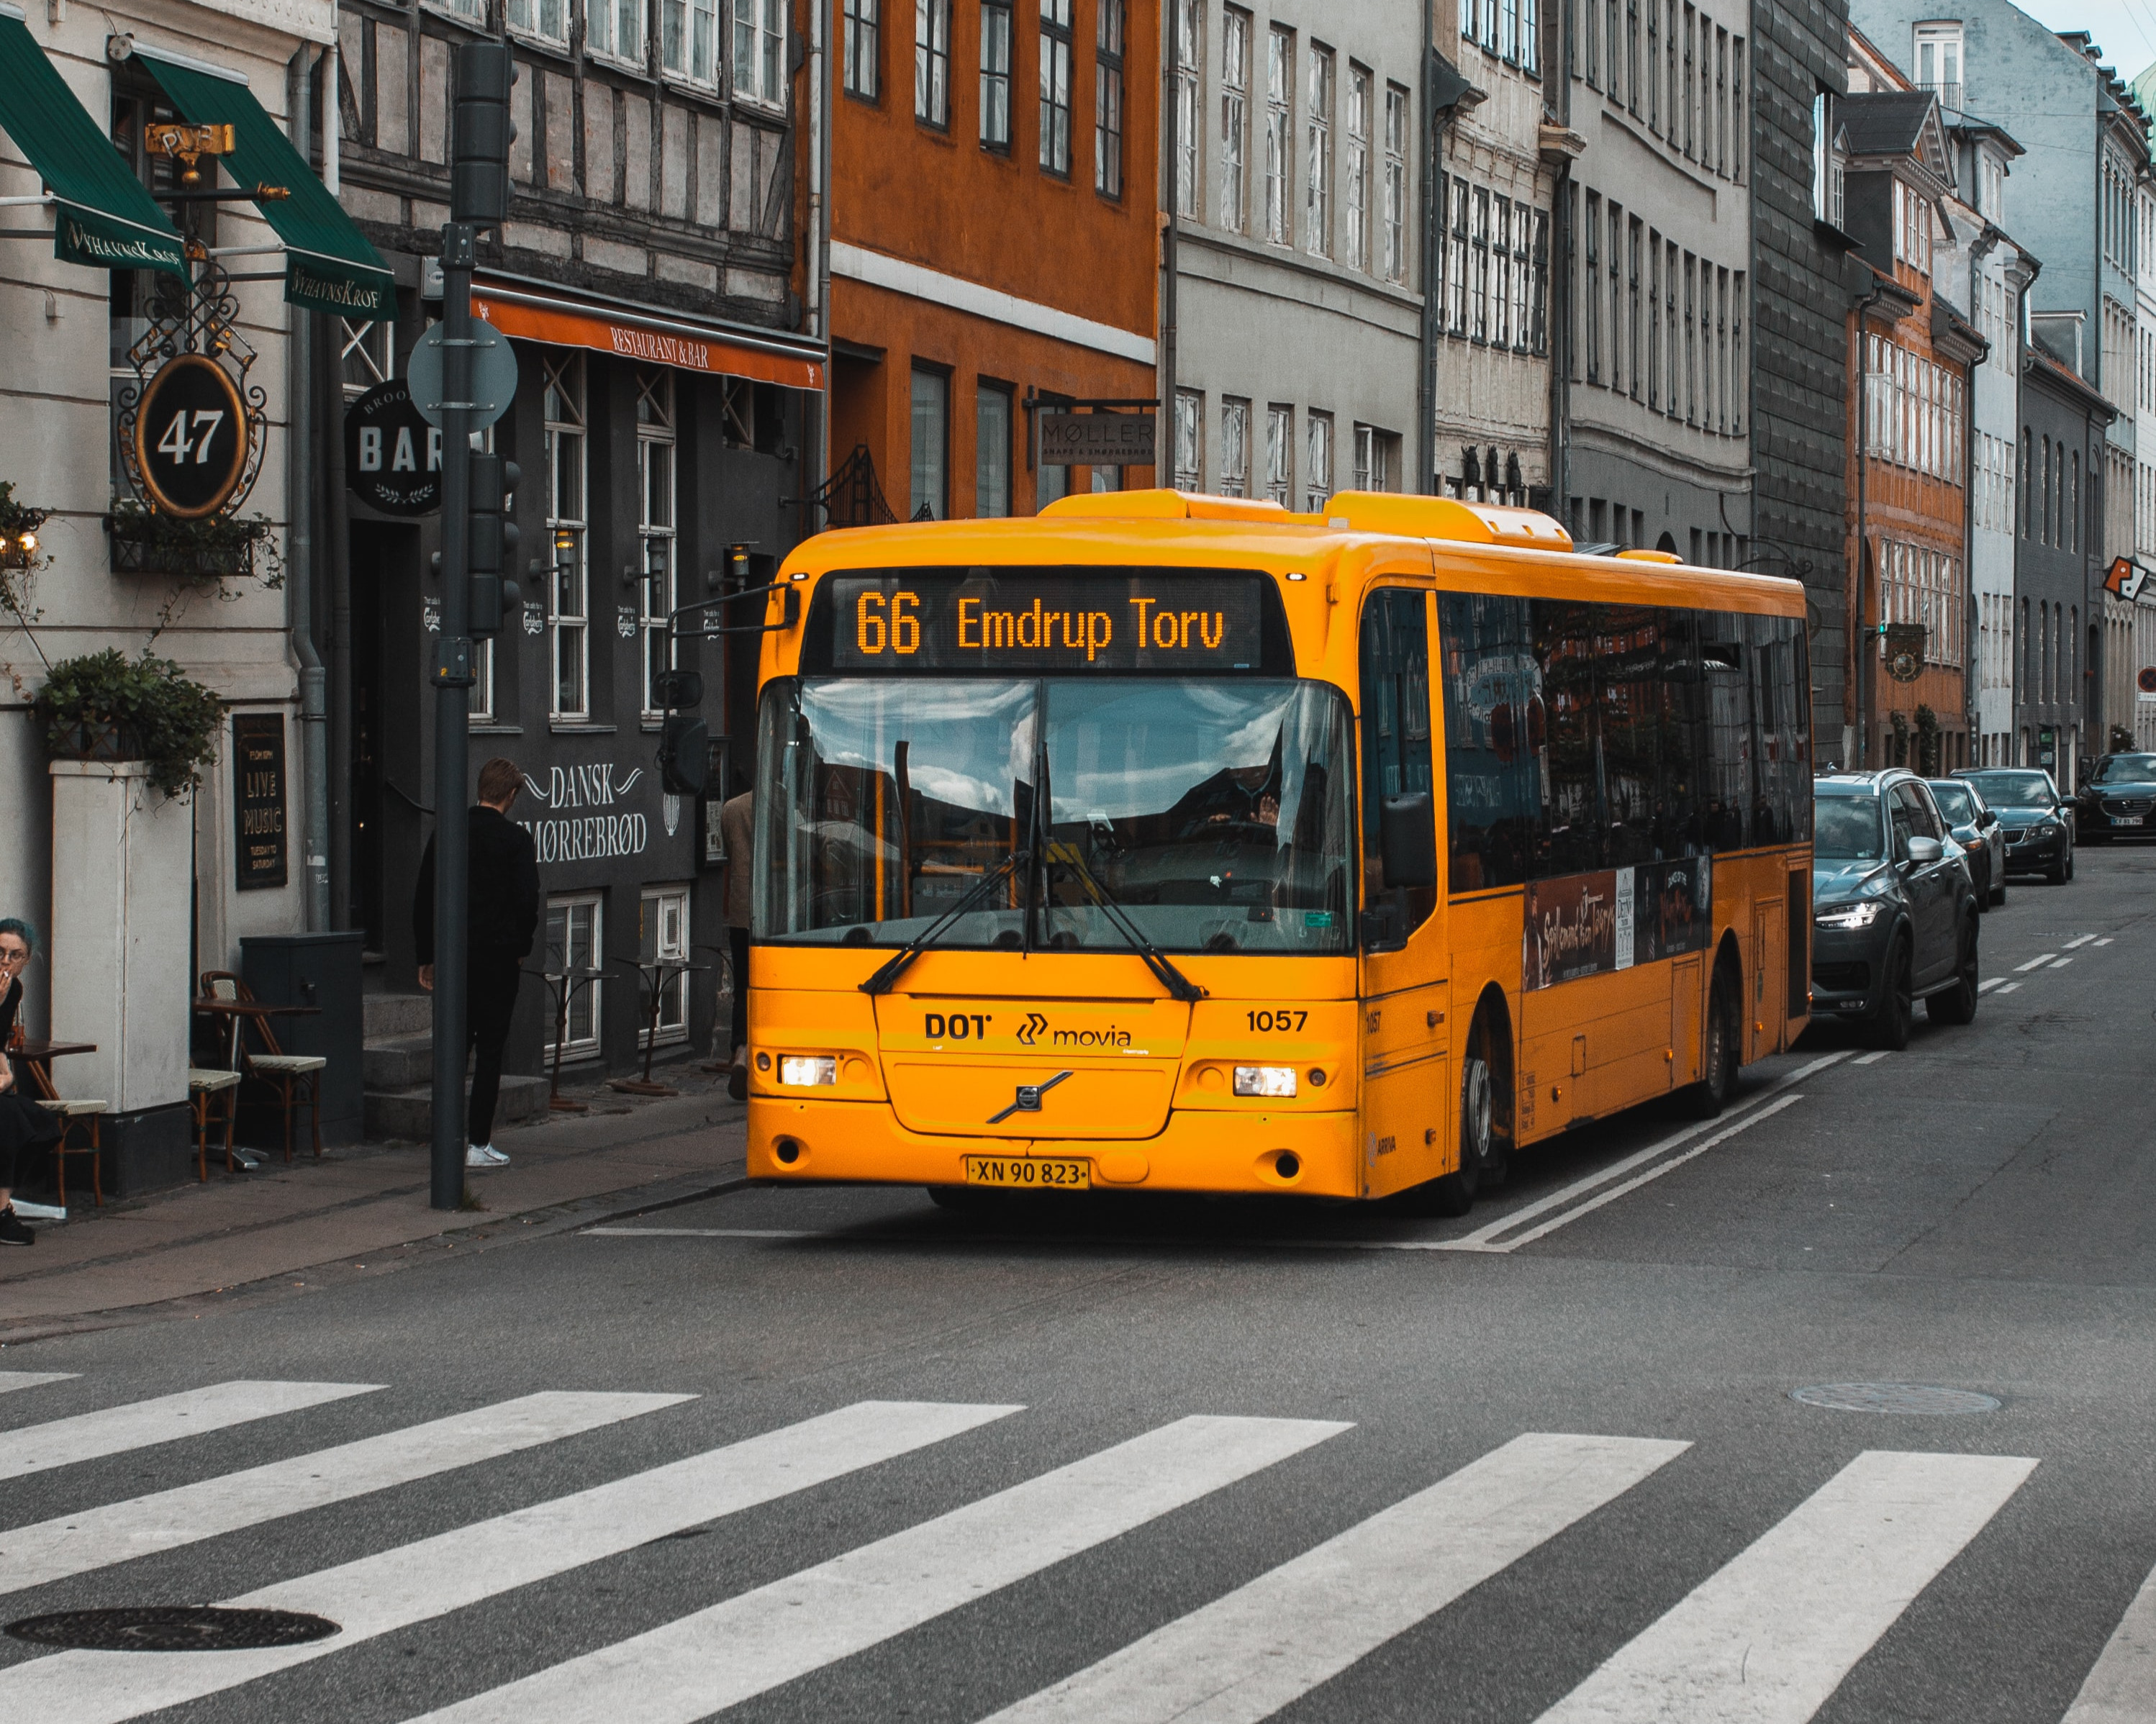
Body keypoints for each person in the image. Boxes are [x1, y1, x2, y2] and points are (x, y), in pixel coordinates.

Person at [415, 758, 540, 1171]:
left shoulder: (450, 832)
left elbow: (424, 895)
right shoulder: (516, 841)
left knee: (454, 1048)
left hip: (455, 956)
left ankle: (445, 1135)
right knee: (489, 1052)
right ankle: (478, 1141)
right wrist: (521, 946)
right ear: (512, 794)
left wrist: (426, 956)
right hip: (499, 958)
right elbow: (527, 901)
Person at [0, 919, 62, 1247]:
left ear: (25, 961)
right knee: (8, 1119)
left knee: (41, 1122)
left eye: (15, 955)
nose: (6, 962)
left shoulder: (15, 990)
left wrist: (7, 1076)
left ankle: (1, 1203)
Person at [720, 786, 754, 1102]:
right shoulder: (786, 807)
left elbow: (730, 853)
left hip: (740, 913)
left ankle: (741, 1053)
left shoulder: (731, 808)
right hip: (775, 917)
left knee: (742, 987)